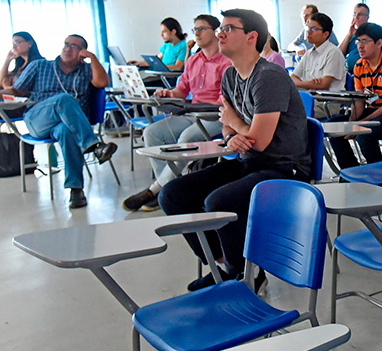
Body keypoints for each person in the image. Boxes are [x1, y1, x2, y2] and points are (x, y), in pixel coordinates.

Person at [159, 9, 311, 291]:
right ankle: (226, 266)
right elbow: (230, 128)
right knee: (172, 195)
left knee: (219, 201)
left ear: (251, 37)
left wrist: (233, 125)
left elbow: (259, 140)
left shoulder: (269, 76)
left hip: (283, 168)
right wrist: (231, 134)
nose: (220, 33)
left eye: (229, 28)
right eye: (221, 28)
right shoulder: (230, 75)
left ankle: (244, 273)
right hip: (248, 161)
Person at [122, 14, 231, 212]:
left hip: (214, 116)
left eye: (201, 29)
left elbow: (225, 100)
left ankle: (155, 190)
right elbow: (182, 90)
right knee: (152, 133)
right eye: (194, 29)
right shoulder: (193, 60)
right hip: (191, 112)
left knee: (187, 137)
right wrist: (168, 93)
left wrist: (203, 105)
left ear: (215, 33)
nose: (196, 33)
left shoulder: (227, 61)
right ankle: (166, 188)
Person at [2, 34, 115, 208]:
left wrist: (92, 58)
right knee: (63, 99)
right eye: (66, 44)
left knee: (66, 131)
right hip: (38, 119)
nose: (68, 48)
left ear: (82, 53)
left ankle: (76, 190)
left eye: (75, 46)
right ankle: (94, 146)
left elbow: (102, 82)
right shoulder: (40, 65)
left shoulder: (86, 70)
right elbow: (17, 90)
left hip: (69, 124)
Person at [327, 23, 382, 169]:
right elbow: (360, 101)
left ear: (379, 43)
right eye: (358, 41)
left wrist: (362, 122)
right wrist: (353, 120)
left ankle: (380, 176)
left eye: (365, 41)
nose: (360, 46)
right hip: (374, 111)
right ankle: (351, 170)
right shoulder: (359, 65)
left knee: (364, 134)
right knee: (334, 127)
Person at [290, 11, 347, 117]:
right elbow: (292, 78)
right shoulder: (308, 54)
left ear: (326, 34)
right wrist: (310, 83)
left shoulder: (333, 52)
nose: (308, 32)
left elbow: (324, 85)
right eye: (308, 27)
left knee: (290, 116)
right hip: (308, 101)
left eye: (314, 29)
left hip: (325, 104)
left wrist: (301, 83)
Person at [339, 3, 382, 73]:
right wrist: (349, 35)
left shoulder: (376, 29)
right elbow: (338, 54)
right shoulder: (352, 34)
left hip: (369, 70)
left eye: (360, 15)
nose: (356, 17)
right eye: (354, 14)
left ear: (367, 17)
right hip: (350, 72)